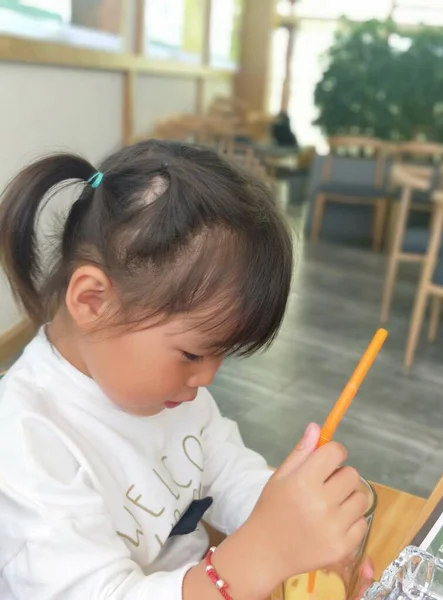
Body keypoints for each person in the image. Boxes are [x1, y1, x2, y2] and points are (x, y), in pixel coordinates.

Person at [0, 140, 373, 600]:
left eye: (222, 355)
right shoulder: (23, 444)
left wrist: (304, 526)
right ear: (93, 301)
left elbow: (227, 470)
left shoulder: (171, 395)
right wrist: (260, 556)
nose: (206, 380)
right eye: (194, 355)